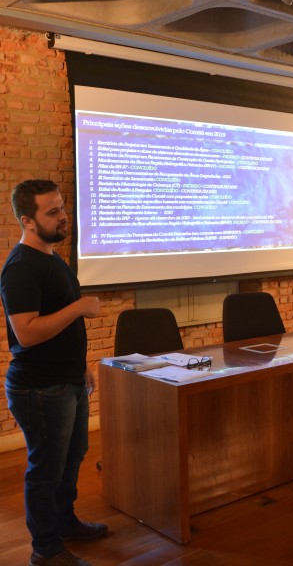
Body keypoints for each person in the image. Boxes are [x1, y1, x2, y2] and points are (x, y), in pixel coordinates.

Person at [1, 180, 107, 566]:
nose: (63, 217)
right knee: (46, 468)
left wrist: (81, 367)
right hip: (40, 388)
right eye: (52, 212)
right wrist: (80, 307)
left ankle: (65, 523)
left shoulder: (51, 258)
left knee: (71, 457)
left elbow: (60, 325)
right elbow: (27, 333)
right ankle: (45, 550)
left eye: (62, 208)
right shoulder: (21, 268)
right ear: (28, 221)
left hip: (68, 381)